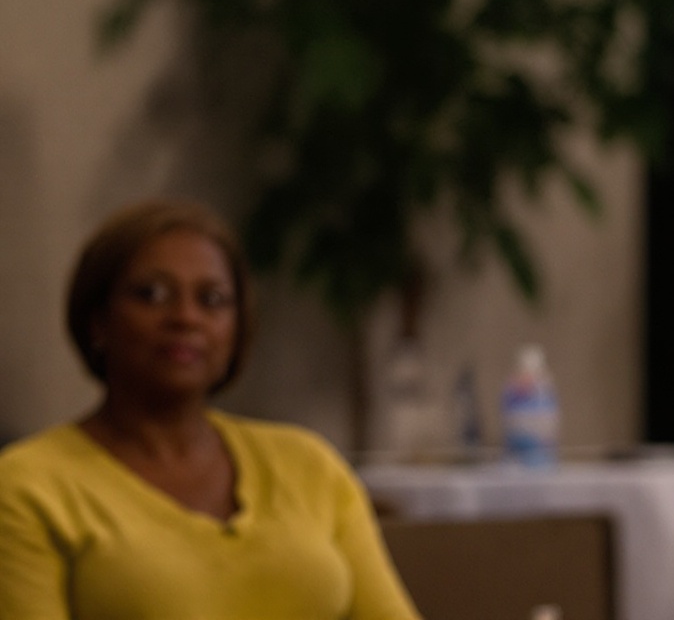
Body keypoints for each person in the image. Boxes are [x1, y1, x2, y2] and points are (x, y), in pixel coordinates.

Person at [0, 197, 420, 620]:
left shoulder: (309, 466)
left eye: (212, 299)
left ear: (237, 328)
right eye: (152, 294)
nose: (185, 317)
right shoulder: (29, 486)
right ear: (98, 321)